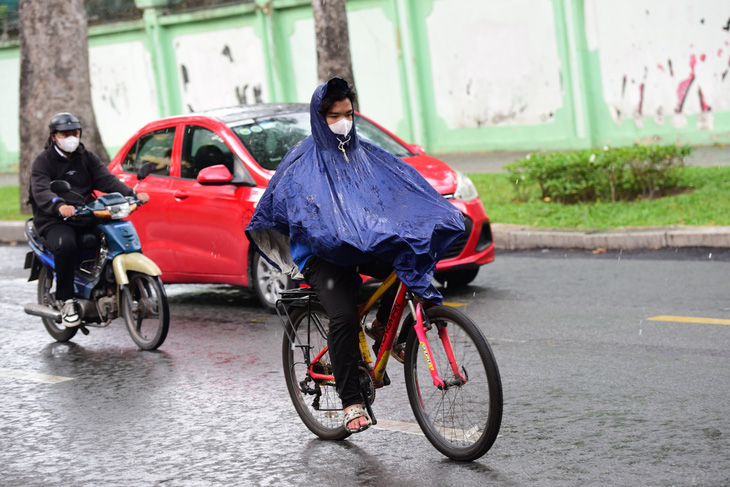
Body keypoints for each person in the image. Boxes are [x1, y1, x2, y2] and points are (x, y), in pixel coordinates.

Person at [246, 78, 464, 434]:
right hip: (321, 254)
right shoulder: (302, 160)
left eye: (348, 114)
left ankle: (383, 326)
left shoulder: (364, 153)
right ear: (320, 118)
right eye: (334, 116)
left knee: (410, 259)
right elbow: (295, 211)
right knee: (344, 316)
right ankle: (350, 401)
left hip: (359, 243)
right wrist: (333, 229)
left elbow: (395, 189)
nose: (343, 122)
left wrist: (427, 216)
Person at [29, 112, 149, 327]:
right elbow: (41, 190)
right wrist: (59, 205)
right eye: (65, 134)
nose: (71, 137)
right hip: (54, 219)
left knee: (112, 235)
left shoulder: (86, 157)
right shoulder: (43, 161)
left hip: (86, 213)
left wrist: (131, 194)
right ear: (54, 136)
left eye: (74, 133)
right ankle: (66, 300)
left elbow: (106, 179)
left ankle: (106, 283)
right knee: (66, 244)